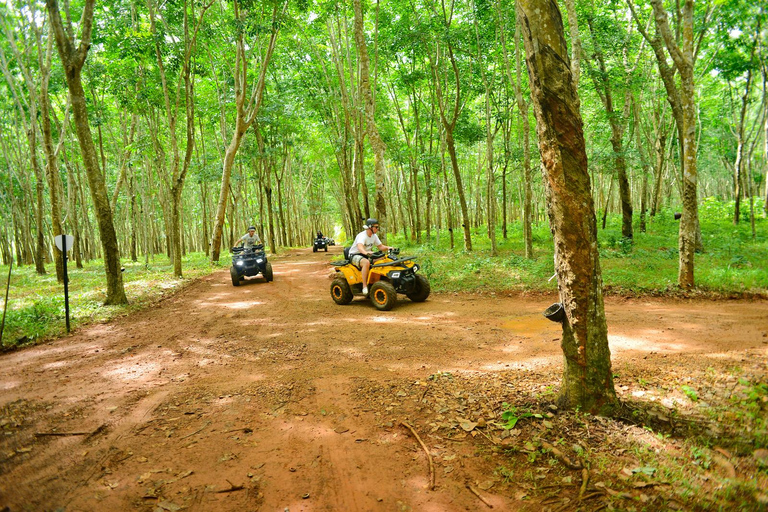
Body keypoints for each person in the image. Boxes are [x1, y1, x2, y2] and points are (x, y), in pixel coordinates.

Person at [347, 218, 393, 296]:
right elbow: (360, 247)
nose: (377, 229)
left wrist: (388, 248)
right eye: (376, 227)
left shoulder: (374, 236)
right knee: (366, 262)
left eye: (378, 227)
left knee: (383, 258)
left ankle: (379, 280)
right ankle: (364, 286)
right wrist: (366, 252)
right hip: (354, 255)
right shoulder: (362, 236)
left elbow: (380, 246)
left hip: (366, 254)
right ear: (370, 227)